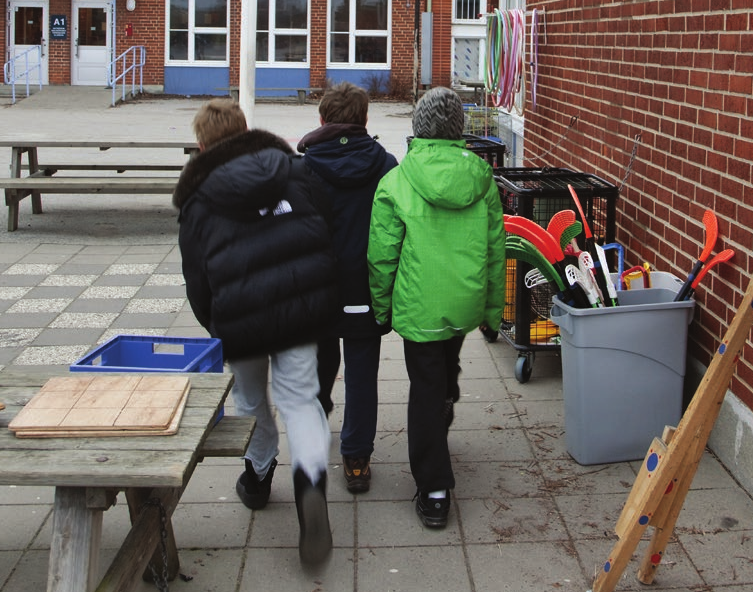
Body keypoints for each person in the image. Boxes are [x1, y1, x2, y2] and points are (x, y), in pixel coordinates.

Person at [172, 98, 339, 567]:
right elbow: (323, 225)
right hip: (303, 307)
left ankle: (259, 475)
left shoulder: (197, 198)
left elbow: (197, 277)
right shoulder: (292, 169)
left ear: (202, 145)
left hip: (240, 318)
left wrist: (217, 326)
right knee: (301, 400)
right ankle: (310, 487)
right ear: (245, 131)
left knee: (249, 401)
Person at [367, 86, 505, 529]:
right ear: (458, 129)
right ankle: (447, 398)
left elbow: (383, 255)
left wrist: (381, 307)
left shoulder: (397, 180)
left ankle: (435, 487)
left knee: (423, 387)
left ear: (417, 127)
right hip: (462, 300)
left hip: (419, 302)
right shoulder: (482, 177)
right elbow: (495, 250)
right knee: (446, 363)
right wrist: (490, 312)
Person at [298, 83, 397, 494]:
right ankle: (356, 457)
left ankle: (314, 445)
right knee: (362, 373)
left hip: (316, 289)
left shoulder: (300, 168)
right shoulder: (386, 164)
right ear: (365, 120)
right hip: (365, 287)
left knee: (316, 372)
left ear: (321, 120)